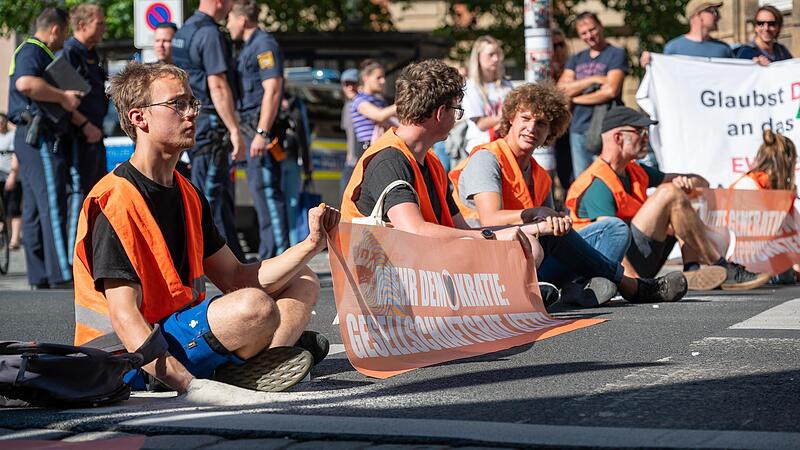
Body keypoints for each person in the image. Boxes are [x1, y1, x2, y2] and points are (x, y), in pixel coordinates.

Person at [73, 62, 339, 395]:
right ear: (139, 118)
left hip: (180, 333)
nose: (191, 114)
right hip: (126, 359)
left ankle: (261, 365)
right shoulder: (113, 199)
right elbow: (124, 316)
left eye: (191, 103)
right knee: (255, 308)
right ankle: (235, 368)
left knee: (303, 279)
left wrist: (312, 245)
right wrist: (188, 386)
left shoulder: (187, 192)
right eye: (177, 104)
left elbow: (236, 277)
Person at [341, 59, 685, 307]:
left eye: (542, 124)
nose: (533, 130)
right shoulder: (390, 158)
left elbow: (460, 228)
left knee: (566, 236)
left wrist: (512, 233)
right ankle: (568, 288)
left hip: (434, 262)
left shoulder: (430, 162)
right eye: (457, 110)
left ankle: (563, 288)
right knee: (532, 243)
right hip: (395, 281)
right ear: (439, 113)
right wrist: (507, 232)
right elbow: (417, 230)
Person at [451, 83, 686, 306]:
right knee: (548, 236)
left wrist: (555, 221)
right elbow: (490, 220)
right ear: (511, 119)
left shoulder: (540, 175)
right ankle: (628, 286)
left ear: (550, 133)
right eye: (525, 119)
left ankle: (582, 287)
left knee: (613, 228)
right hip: (487, 259)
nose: (532, 128)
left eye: (541, 123)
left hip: (533, 256)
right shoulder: (487, 158)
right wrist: (539, 216)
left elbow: (546, 231)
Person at [566, 106, 771, 291]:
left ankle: (692, 269)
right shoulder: (597, 183)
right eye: (640, 132)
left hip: (637, 255)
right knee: (669, 193)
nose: (646, 138)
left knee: (681, 199)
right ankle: (720, 266)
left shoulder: (634, 170)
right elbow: (609, 243)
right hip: (607, 267)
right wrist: (633, 284)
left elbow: (702, 183)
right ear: (618, 138)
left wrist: (688, 182)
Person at [8, 7, 85, 289]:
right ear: (55, 29)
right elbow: (26, 83)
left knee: (36, 208)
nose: (64, 39)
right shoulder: (33, 50)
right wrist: (64, 97)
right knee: (53, 203)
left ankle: (40, 275)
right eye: (64, 32)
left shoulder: (31, 51)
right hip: (38, 135)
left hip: (30, 135)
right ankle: (60, 273)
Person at [172, 0, 245, 261]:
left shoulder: (184, 32)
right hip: (212, 124)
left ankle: (232, 260)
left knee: (210, 195)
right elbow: (218, 86)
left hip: (195, 122)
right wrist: (234, 129)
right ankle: (203, 263)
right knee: (210, 198)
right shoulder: (210, 34)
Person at [226, 0, 288, 259]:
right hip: (251, 128)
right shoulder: (249, 46)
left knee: (267, 194)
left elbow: (273, 89)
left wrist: (262, 133)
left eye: (229, 19)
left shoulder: (263, 45)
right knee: (260, 195)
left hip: (258, 130)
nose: (228, 25)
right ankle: (269, 255)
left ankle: (277, 257)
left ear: (242, 19)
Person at [60, 3, 108, 262]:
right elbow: (65, 101)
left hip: (95, 136)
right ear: (82, 25)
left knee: (94, 195)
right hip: (81, 137)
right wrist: (85, 125)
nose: (104, 29)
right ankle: (71, 259)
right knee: (79, 196)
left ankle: (89, 256)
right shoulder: (70, 53)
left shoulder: (92, 53)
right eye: (99, 24)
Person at [557, 12, 629, 179]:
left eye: (592, 29)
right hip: (578, 127)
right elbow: (560, 90)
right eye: (584, 33)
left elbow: (611, 91)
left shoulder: (616, 54)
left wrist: (574, 97)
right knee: (582, 180)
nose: (589, 35)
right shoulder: (576, 59)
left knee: (608, 178)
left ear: (600, 26)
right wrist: (594, 80)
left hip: (607, 127)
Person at [640, 1, 732, 66]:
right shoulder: (674, 48)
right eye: (714, 12)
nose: (719, 17)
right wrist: (651, 62)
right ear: (698, 15)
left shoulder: (724, 49)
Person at [463, 35, 513, 154]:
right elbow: (481, 124)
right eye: (491, 55)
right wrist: (503, 117)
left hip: (505, 147)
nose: (496, 59)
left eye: (498, 54)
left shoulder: (506, 85)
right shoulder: (471, 86)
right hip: (480, 148)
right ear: (478, 57)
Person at [350, 59, 397, 151]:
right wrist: (402, 104)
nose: (383, 81)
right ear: (365, 78)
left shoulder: (380, 100)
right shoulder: (359, 101)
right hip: (367, 148)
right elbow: (379, 116)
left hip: (382, 145)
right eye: (378, 78)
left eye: (383, 77)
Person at [0, 113, 22, 249]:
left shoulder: (12, 136)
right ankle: (3, 238)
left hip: (11, 177)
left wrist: (13, 174)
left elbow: (16, 155)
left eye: (2, 121)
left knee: (13, 209)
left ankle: (14, 240)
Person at [339, 68, 360, 197]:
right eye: (346, 84)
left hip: (360, 161)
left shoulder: (362, 104)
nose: (350, 87)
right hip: (351, 162)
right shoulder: (347, 106)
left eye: (353, 83)